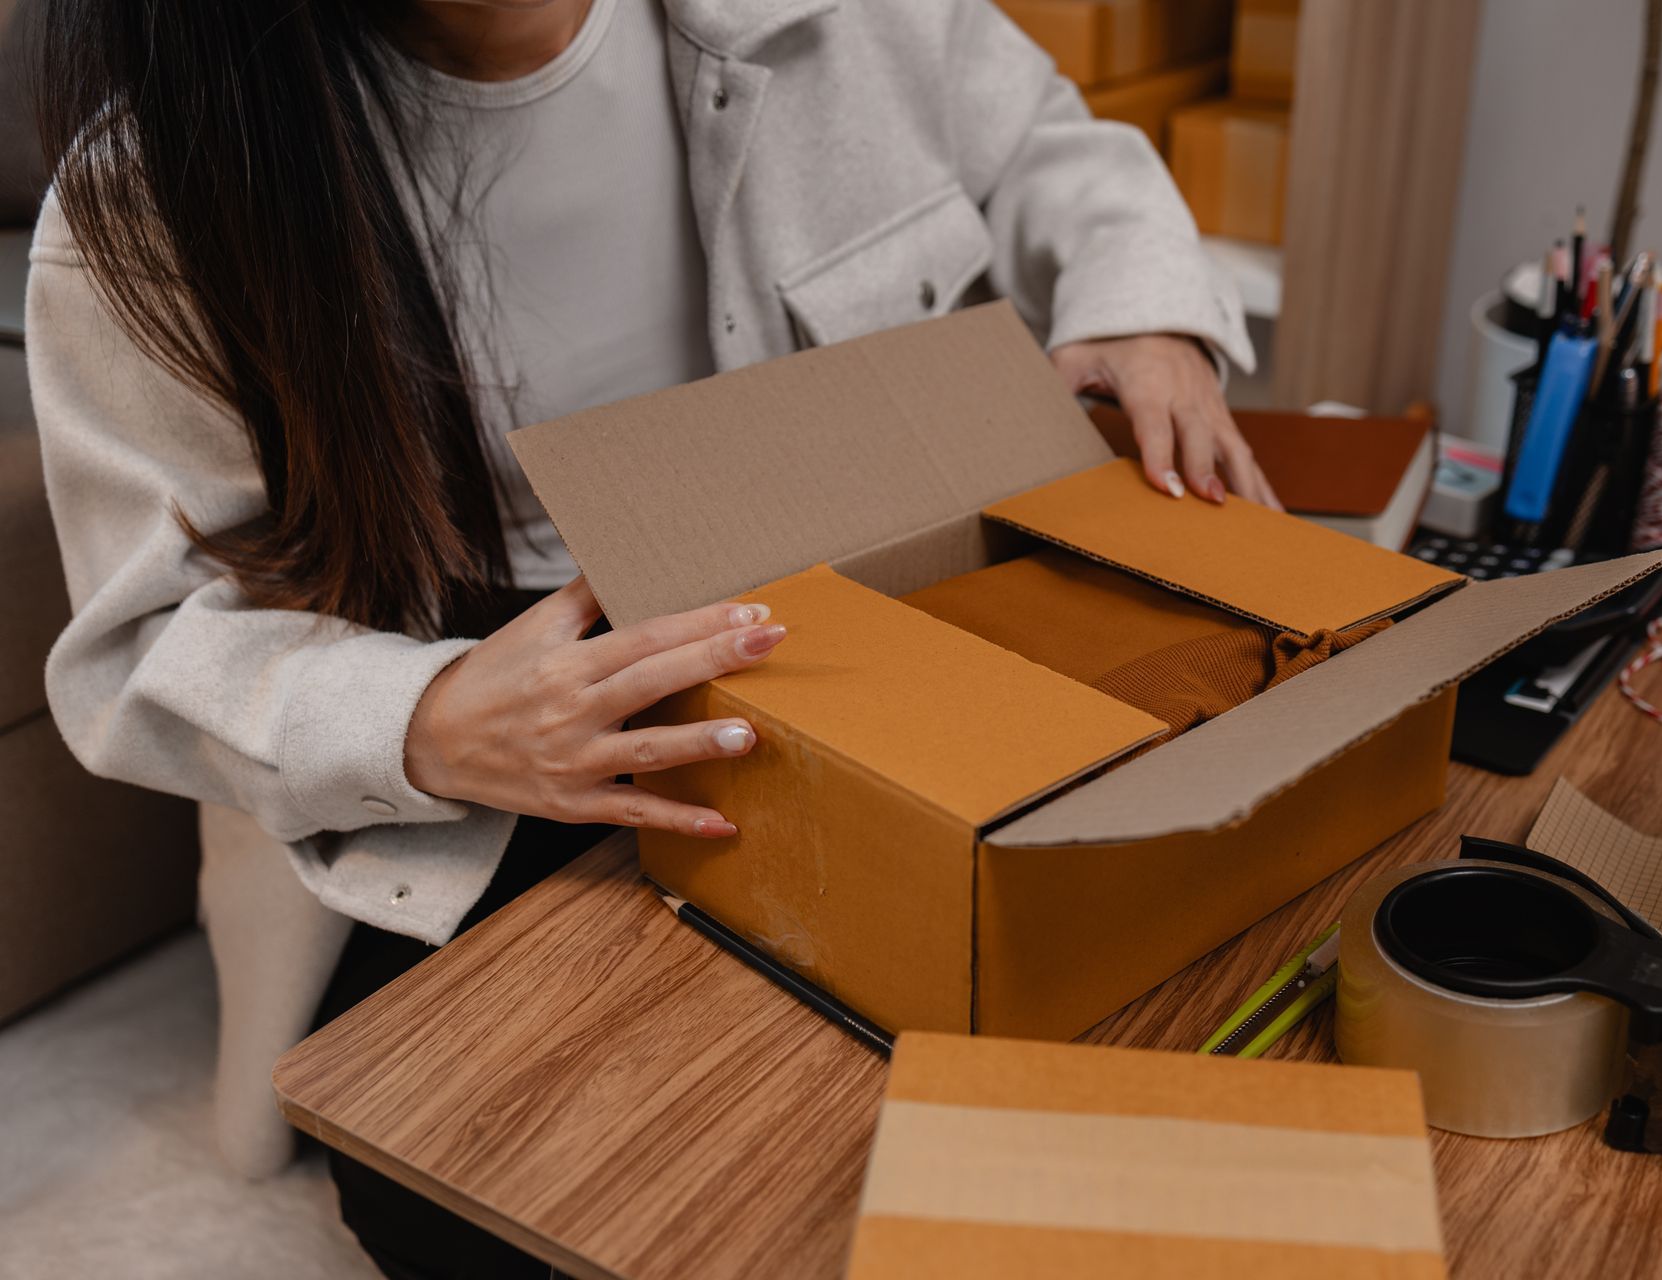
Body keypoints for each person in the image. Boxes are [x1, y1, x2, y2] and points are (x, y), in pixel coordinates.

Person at [29, 0, 1272, 1273]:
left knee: (1084, 990)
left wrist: (1144, 304)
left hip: (827, 593)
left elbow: (1047, 145)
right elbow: (139, 648)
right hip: (475, 692)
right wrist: (426, 719)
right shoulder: (148, 199)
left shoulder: (851, 19)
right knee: (517, 1178)